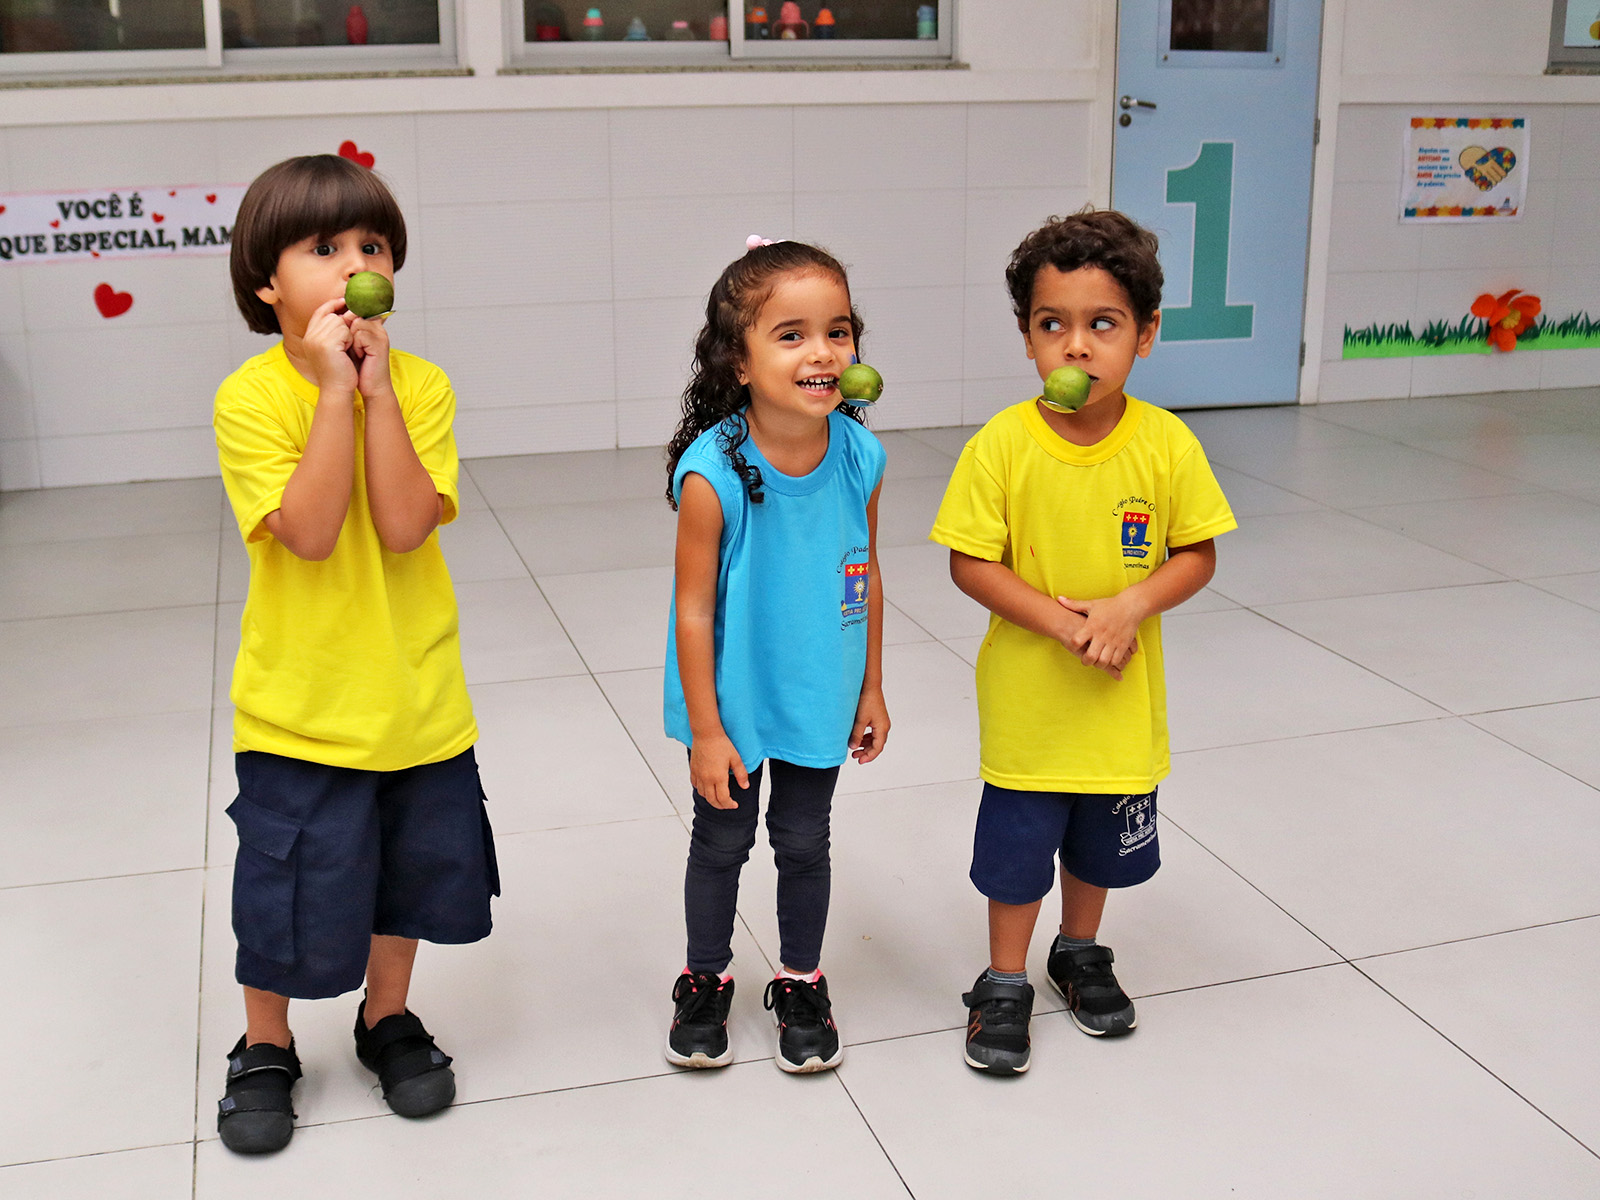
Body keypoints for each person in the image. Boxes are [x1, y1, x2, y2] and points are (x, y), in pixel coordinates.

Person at [212, 154, 499, 1152]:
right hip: (300, 709)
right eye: (323, 247)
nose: (354, 266)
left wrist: (376, 391)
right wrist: (335, 393)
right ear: (266, 283)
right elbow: (310, 530)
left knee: (407, 872)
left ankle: (386, 1016)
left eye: (372, 246)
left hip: (416, 697)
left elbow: (409, 523)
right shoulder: (251, 400)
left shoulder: (422, 386)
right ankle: (266, 1042)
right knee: (285, 885)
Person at [930, 208, 1236, 1074]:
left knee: (1099, 839)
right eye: (1051, 324)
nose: (1076, 346)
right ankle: (1003, 980)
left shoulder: (1167, 443)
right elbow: (970, 563)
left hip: (1116, 703)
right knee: (1017, 853)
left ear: (1146, 334)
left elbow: (1197, 553)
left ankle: (1079, 951)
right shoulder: (1001, 444)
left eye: (1103, 324)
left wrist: (1130, 607)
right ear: (1027, 337)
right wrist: (1067, 623)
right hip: (1030, 710)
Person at [661, 237, 890, 1074]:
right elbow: (692, 613)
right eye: (791, 335)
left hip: (820, 689)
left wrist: (870, 687)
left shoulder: (861, 456)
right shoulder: (711, 474)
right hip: (732, 702)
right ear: (739, 361)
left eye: (838, 331)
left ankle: (800, 980)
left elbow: (866, 573)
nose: (822, 352)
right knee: (722, 844)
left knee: (804, 839)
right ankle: (704, 979)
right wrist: (707, 731)